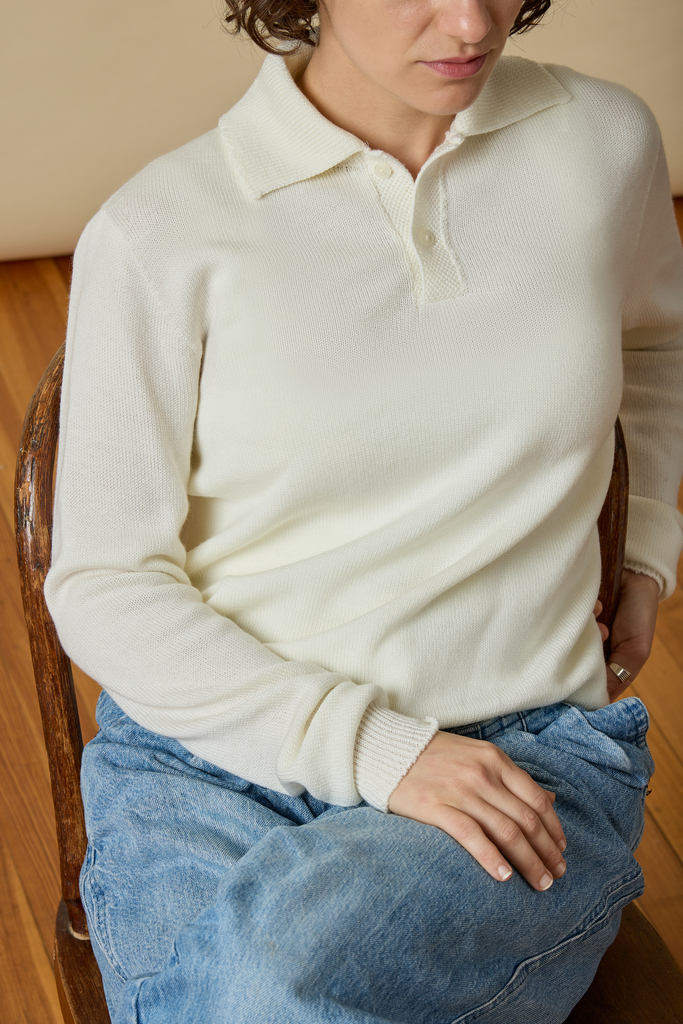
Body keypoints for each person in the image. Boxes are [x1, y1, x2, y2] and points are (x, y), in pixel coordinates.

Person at [44, 0, 683, 1020]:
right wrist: (376, 751)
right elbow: (103, 580)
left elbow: (655, 344)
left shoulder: (600, 142)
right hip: (205, 762)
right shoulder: (162, 229)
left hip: (516, 754)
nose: (470, 20)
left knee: (259, 980)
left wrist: (644, 543)